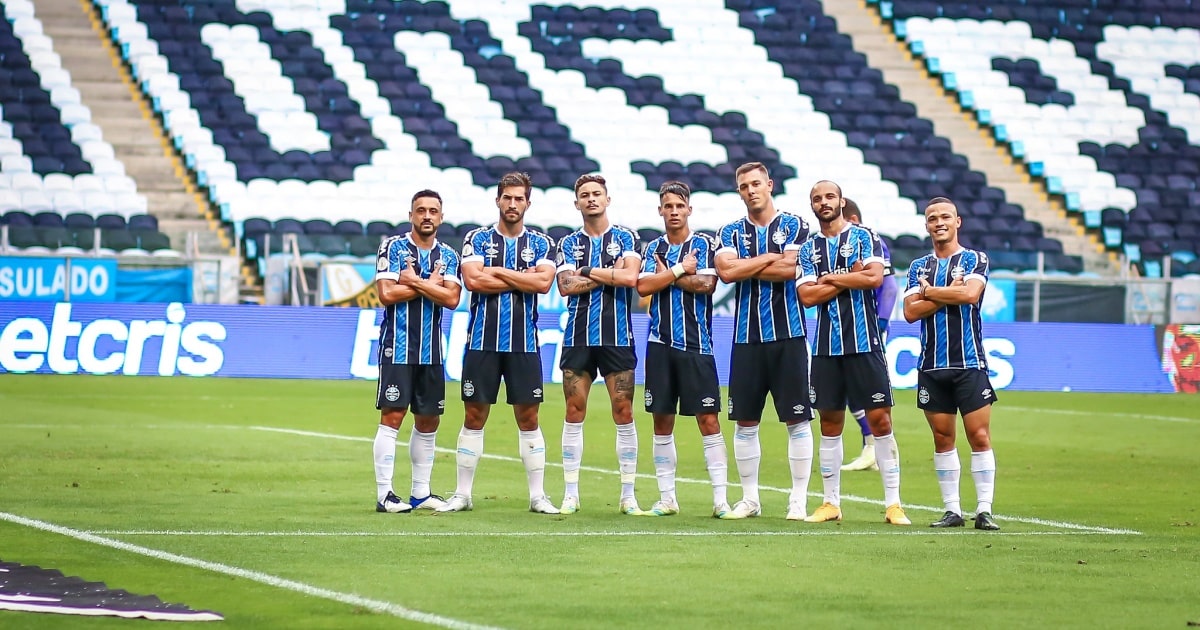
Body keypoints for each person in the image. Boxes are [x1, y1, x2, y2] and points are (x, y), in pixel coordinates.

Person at [437, 172, 560, 514]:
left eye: (519, 198)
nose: (513, 204)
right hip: (482, 342)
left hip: (524, 344)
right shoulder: (476, 239)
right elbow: (474, 280)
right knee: (474, 415)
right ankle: (462, 494)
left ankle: (538, 496)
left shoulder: (542, 243)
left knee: (529, 416)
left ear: (528, 203)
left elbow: (544, 284)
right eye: (507, 197)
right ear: (497, 201)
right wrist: (523, 277)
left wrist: (500, 272)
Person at [798, 180, 910, 526]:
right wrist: (848, 276)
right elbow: (806, 297)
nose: (823, 202)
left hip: (865, 344)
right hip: (827, 349)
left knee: (880, 421)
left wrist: (828, 279)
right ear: (813, 206)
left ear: (841, 201)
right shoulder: (808, 248)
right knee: (830, 424)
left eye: (829, 196)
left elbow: (875, 279)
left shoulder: (864, 237)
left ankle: (894, 504)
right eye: (817, 199)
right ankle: (831, 502)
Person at [714, 162, 815, 521]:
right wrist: (771, 256)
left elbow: (792, 269)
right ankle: (751, 499)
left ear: (770, 185)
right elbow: (726, 272)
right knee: (745, 422)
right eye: (744, 186)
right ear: (739, 191)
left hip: (789, 336)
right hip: (745, 338)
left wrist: (749, 264)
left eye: (756, 183)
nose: (750, 190)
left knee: (797, 420)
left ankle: (798, 499)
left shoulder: (795, 224)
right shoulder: (729, 231)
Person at [902, 197, 1000, 531]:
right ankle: (952, 510)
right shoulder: (918, 267)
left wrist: (929, 293)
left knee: (979, 435)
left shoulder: (975, 258)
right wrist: (944, 292)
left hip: (969, 362)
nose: (939, 222)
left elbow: (970, 296)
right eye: (932, 218)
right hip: (931, 366)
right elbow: (910, 313)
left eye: (945, 216)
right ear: (926, 225)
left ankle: (984, 509)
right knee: (943, 439)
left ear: (958, 221)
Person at [636, 180, 730, 517]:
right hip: (660, 345)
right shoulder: (653, 249)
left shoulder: (704, 245)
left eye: (680, 206)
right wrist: (679, 270)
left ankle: (720, 499)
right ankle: (667, 498)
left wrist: (668, 277)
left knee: (708, 420)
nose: (674, 212)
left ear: (689, 209)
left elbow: (706, 285)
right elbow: (643, 285)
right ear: (660, 210)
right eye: (668, 206)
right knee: (662, 422)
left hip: (697, 345)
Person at [555, 174, 644, 515]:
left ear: (608, 200)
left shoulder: (625, 237)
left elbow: (630, 278)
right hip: (578, 337)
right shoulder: (566, 243)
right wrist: (608, 273)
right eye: (585, 195)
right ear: (576, 203)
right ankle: (571, 493)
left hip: (617, 337)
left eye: (597, 194)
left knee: (623, 412)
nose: (591, 199)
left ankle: (628, 495)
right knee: (574, 412)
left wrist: (588, 271)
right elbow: (564, 286)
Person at [372, 189, 462, 513]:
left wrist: (413, 281)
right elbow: (385, 293)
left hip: (433, 352)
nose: (426, 216)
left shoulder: (450, 256)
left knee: (429, 420)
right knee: (392, 417)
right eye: (420, 210)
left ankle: (420, 493)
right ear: (411, 215)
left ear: (441, 216)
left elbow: (452, 300)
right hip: (398, 347)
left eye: (432, 211)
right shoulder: (393, 247)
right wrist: (431, 285)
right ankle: (385, 495)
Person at [839, 198, 900, 472]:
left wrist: (882, 324)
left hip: (869, 329)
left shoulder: (871, 243)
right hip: (842, 330)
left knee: (872, 389)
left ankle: (883, 447)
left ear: (851, 220)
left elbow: (889, 287)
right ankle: (871, 445)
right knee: (847, 388)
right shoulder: (829, 246)